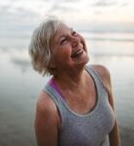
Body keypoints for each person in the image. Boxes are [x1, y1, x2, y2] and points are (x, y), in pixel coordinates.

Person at [29, 18, 121, 146]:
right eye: (63, 40)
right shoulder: (48, 105)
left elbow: (113, 126)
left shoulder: (102, 74)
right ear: (50, 61)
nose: (77, 40)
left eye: (73, 33)